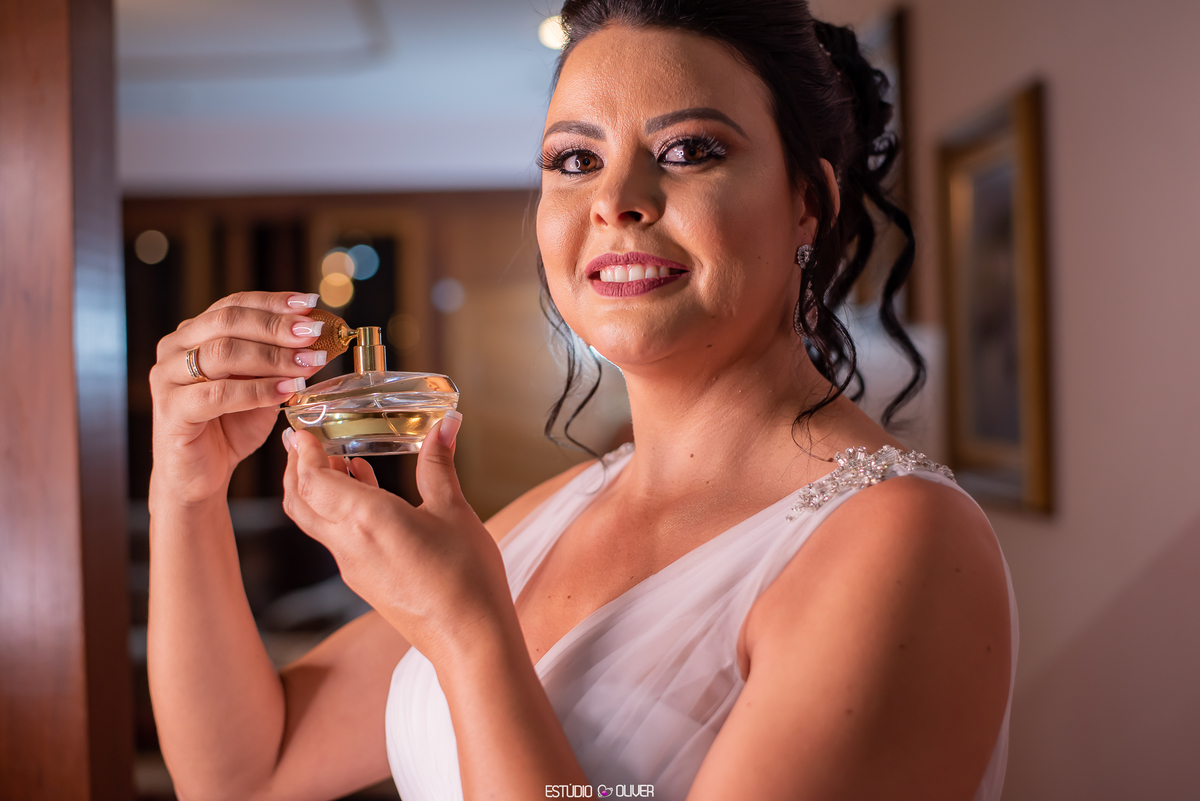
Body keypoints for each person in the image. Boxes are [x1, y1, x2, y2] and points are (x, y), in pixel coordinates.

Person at [146, 1, 1016, 799]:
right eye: (576, 160)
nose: (614, 201)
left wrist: (466, 633)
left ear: (808, 203)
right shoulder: (560, 509)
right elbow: (244, 771)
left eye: (690, 150)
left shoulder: (902, 540)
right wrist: (187, 483)